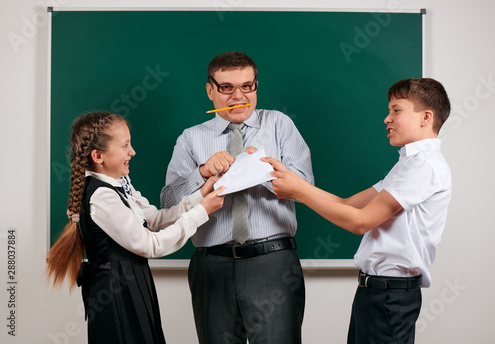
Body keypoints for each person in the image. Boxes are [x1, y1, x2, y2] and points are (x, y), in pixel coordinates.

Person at [263, 78, 452, 344]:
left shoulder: (424, 166)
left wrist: (298, 192)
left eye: (396, 110)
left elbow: (360, 222)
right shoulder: (409, 164)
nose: (387, 119)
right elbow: (349, 204)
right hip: (376, 291)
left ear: (426, 117)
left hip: (390, 294)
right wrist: (296, 183)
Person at [160, 51, 314, 343]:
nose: (238, 96)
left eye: (247, 86)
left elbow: (306, 187)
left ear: (256, 86)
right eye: (226, 87)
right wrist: (203, 173)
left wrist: (254, 169)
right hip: (212, 265)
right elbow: (168, 205)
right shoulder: (191, 138)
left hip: (273, 262)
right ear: (210, 90)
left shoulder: (279, 125)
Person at [46, 112, 225, 344]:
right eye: (125, 146)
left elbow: (156, 220)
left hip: (133, 284)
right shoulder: (101, 196)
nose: (132, 152)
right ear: (98, 155)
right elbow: (151, 245)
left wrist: (201, 196)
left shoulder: (120, 182)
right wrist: (202, 212)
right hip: (116, 295)